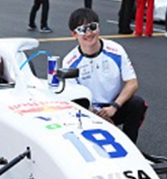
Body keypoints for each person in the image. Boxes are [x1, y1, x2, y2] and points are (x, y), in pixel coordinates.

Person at [63, 8, 148, 143]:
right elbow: (75, 98)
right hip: (87, 111)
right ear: (74, 34)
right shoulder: (69, 62)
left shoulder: (116, 50)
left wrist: (114, 107)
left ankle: (130, 145)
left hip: (114, 106)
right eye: (83, 30)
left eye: (92, 27)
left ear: (99, 28)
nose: (89, 33)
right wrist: (95, 115)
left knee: (137, 103)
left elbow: (132, 83)